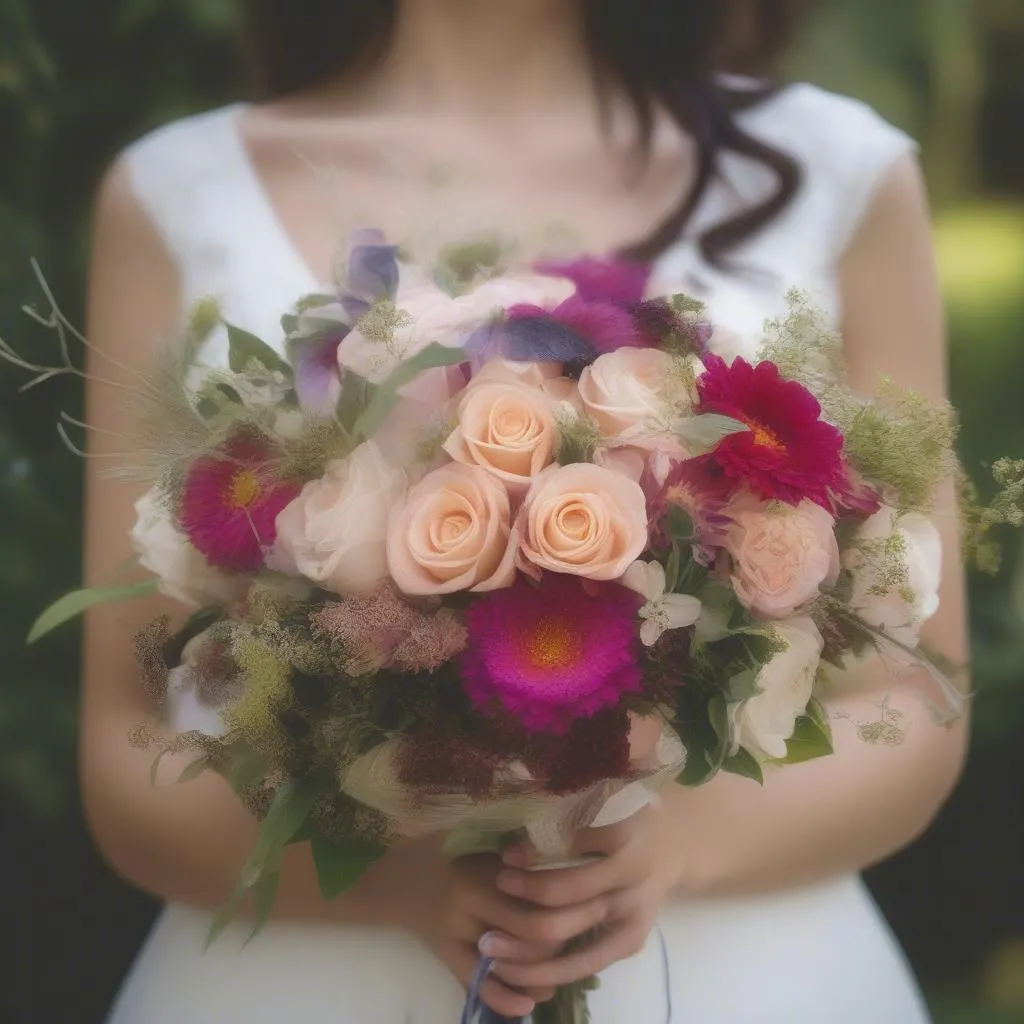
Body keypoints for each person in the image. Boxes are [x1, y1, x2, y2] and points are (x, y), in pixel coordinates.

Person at [81, 2, 969, 1021]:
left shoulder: (840, 169)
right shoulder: (172, 193)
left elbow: (919, 694)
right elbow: (126, 746)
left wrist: (670, 849)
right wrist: (405, 880)